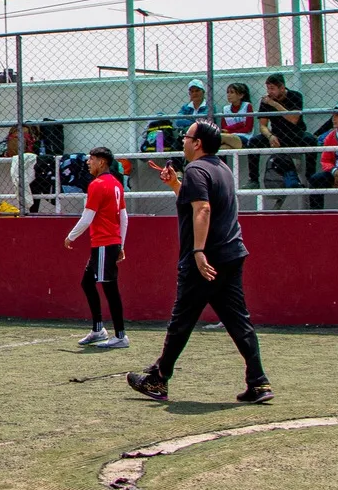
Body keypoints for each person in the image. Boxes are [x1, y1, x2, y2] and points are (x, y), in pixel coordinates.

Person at [126, 120, 270, 404]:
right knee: (238, 322)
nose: (182, 141)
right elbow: (197, 202)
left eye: (186, 137)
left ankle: (158, 379)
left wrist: (198, 251)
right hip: (231, 254)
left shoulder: (196, 169)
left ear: (198, 143)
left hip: (206, 259)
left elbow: (202, 209)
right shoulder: (221, 169)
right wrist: (175, 184)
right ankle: (259, 383)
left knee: (181, 321)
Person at [64, 147, 129, 350]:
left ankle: (120, 335)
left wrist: (70, 236)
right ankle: (99, 329)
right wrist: (121, 244)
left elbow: (87, 218)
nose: (88, 162)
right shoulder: (116, 184)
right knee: (87, 282)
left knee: (110, 289)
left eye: (91, 159)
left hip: (103, 243)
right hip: (109, 243)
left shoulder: (98, 185)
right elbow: (124, 218)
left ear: (102, 162)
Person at [248, 74, 311, 202]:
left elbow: (294, 119)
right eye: (268, 89)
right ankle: (253, 179)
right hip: (276, 135)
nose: (269, 92)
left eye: (272, 89)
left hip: (295, 134)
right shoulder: (265, 101)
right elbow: (263, 126)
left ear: (282, 88)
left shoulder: (295, 96)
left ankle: (310, 177)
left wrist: (274, 104)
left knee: (311, 141)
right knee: (254, 142)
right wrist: (270, 136)